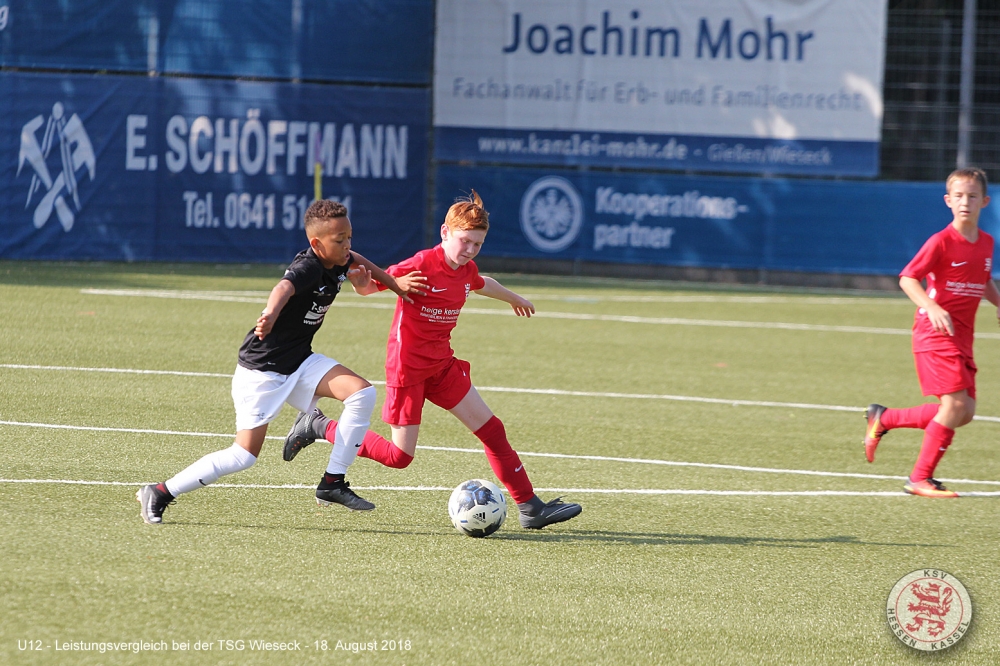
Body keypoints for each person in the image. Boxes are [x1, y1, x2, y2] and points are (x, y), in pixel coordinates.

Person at [283, 191, 582, 529]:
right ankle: (319, 426)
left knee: (493, 430)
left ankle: (530, 507)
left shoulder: (466, 269)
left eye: (478, 244)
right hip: (408, 371)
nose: (470, 250)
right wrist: (363, 284)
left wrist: (514, 298)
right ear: (445, 232)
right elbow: (371, 286)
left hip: (442, 367)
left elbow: (481, 283)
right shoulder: (422, 264)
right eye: (465, 241)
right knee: (399, 457)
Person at [136, 199, 425, 524]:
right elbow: (284, 287)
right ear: (317, 244)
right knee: (243, 456)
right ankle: (160, 491)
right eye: (339, 239)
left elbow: (360, 262)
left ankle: (332, 482)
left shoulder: (341, 259)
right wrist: (270, 313)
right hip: (263, 371)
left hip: (299, 361)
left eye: (349, 237)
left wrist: (394, 284)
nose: (347, 245)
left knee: (362, 393)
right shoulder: (309, 266)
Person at [863, 167, 997, 497]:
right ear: (947, 200)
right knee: (954, 405)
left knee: (964, 412)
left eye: (972, 196)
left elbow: (982, 280)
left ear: (985, 201)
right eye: (959, 196)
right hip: (934, 333)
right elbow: (908, 278)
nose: (965, 202)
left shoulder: (987, 243)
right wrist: (931, 306)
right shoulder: (941, 241)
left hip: (962, 337)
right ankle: (919, 478)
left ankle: (885, 418)